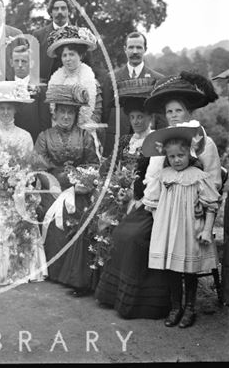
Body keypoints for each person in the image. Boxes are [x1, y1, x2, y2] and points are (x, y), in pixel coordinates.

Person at [94, 77, 171, 319]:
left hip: (140, 198)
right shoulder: (125, 140)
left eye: (141, 117)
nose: (137, 121)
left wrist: (132, 194)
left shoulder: (155, 141)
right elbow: (108, 166)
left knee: (120, 229)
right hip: (120, 193)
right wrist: (109, 184)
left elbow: (150, 179)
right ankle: (94, 282)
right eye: (133, 117)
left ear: (150, 118)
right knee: (96, 217)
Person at [141, 126, 220, 328]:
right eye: (173, 156)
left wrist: (206, 229)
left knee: (189, 269)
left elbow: (211, 205)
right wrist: (161, 224)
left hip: (189, 229)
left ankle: (190, 308)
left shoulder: (198, 176)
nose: (177, 160)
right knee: (172, 270)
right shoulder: (163, 175)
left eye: (181, 155)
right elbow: (152, 202)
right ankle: (175, 307)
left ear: (189, 153)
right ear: (167, 157)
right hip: (169, 229)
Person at [0, 81, 47, 287]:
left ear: (15, 110)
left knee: (22, 214)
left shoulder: (24, 136)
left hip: (18, 190)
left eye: (9, 108)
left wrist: (19, 183)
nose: (5, 112)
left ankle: (21, 269)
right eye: (2, 109)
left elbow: (30, 166)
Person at [34, 84, 99, 295]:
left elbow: (94, 164)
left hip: (78, 188)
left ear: (76, 114)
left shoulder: (84, 136)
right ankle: (56, 271)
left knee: (81, 214)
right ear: (55, 113)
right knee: (54, 215)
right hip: (53, 187)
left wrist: (83, 181)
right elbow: (38, 166)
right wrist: (51, 182)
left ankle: (78, 276)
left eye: (70, 112)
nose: (66, 116)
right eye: (62, 111)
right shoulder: (44, 136)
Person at [102, 32, 165, 157]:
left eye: (139, 47)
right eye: (131, 47)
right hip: (115, 140)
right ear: (125, 49)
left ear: (145, 49)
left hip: (148, 142)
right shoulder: (111, 78)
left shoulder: (157, 79)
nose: (135, 51)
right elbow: (104, 112)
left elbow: (161, 117)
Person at [46, 25, 101, 126]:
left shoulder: (91, 81)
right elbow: (52, 111)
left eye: (71, 54)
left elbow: (97, 111)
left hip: (84, 129)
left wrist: (86, 126)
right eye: (64, 55)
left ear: (80, 55)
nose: (68, 59)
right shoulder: (56, 80)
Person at [6, 44, 52, 140]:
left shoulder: (41, 90)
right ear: (11, 62)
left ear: (31, 63)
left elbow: (45, 123)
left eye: (24, 61)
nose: (20, 65)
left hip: (33, 140)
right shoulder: (5, 86)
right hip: (8, 140)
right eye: (16, 61)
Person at [32, 0, 73, 82]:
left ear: (69, 11)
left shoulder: (79, 34)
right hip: (46, 86)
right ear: (50, 12)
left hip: (72, 85)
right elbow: (32, 63)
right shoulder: (38, 35)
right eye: (56, 9)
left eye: (63, 8)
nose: (59, 12)